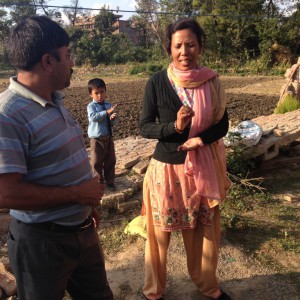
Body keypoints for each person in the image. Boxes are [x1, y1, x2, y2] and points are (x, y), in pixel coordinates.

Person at [0, 16, 113, 300]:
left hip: (82, 229)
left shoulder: (55, 100)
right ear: (48, 61)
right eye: (68, 55)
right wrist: (76, 194)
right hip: (42, 244)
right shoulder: (7, 115)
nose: (72, 63)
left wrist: (84, 207)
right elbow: (4, 193)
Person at [140, 18, 231, 300]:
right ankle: (153, 291)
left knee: (204, 234)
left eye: (190, 44)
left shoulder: (211, 81)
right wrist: (176, 128)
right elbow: (145, 126)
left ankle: (209, 287)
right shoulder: (156, 82)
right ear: (169, 48)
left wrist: (200, 139)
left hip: (200, 170)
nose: (184, 51)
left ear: (200, 47)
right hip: (165, 170)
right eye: (178, 45)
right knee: (158, 238)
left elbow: (222, 123)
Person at [87, 78, 118, 192]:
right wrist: (106, 112)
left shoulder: (108, 105)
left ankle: (110, 182)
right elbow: (93, 117)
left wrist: (113, 118)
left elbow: (113, 123)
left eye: (102, 92)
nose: (100, 95)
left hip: (108, 138)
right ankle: (98, 181)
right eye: (96, 93)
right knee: (96, 162)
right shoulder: (91, 106)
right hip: (96, 139)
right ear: (91, 94)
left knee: (110, 160)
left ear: (105, 91)